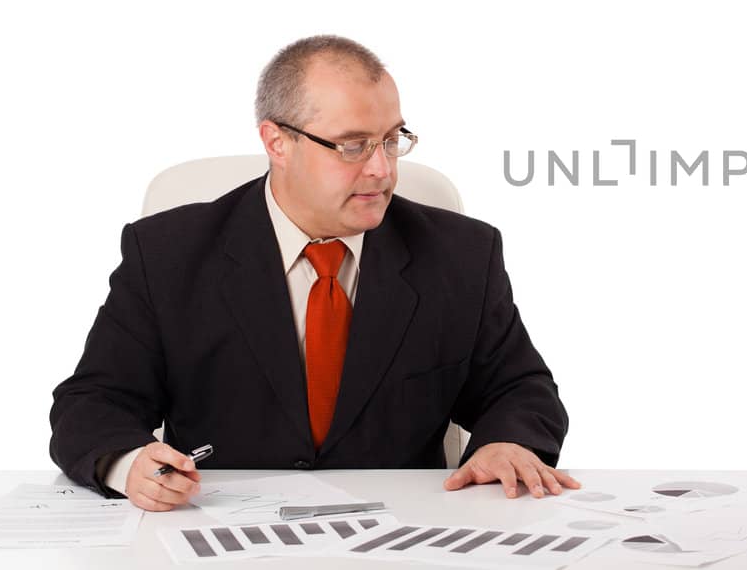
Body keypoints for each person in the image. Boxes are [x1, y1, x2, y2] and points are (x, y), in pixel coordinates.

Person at [49, 35, 577, 512]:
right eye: (353, 146)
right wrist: (129, 465)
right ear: (277, 142)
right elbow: (93, 402)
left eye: (392, 139)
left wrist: (508, 443)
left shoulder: (460, 253)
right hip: (218, 529)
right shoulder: (167, 253)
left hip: (401, 536)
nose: (382, 169)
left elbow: (519, 388)